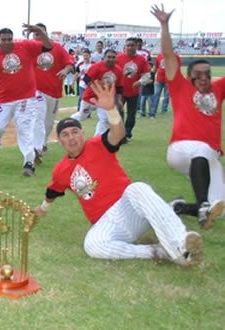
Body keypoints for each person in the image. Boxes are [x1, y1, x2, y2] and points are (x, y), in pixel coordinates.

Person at [34, 81, 203, 267]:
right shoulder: (61, 169)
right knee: (92, 245)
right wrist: (42, 209)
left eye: (75, 132)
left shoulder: (98, 145)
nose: (71, 138)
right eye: (65, 135)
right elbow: (53, 192)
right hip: (107, 223)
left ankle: (181, 246)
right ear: (59, 141)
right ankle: (157, 251)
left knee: (137, 188)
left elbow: (118, 133)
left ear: (83, 134)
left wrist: (111, 109)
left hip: (129, 207)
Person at [151, 4, 224, 229]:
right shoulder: (179, 86)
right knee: (200, 150)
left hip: (209, 156)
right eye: (197, 75)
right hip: (181, 150)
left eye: (206, 74)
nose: (203, 78)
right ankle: (202, 204)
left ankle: (178, 207)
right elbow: (169, 54)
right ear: (189, 76)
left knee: (219, 207)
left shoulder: (219, 87)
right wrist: (165, 26)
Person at [0, 25, 54, 177]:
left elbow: (48, 46)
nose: (6, 42)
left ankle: (28, 162)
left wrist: (41, 32)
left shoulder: (25, 46)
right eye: (3, 40)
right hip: (4, 100)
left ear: (13, 39)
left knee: (24, 129)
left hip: (26, 98)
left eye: (9, 39)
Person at [31, 23, 75, 161]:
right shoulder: (30, 47)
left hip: (54, 91)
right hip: (36, 90)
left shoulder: (58, 47)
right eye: (35, 33)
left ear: (46, 34)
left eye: (40, 33)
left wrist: (65, 70)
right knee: (38, 117)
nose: (37, 36)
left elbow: (69, 63)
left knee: (49, 122)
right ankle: (36, 149)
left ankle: (42, 143)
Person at [70, 49, 123, 136]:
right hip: (90, 97)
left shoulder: (118, 70)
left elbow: (119, 87)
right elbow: (86, 79)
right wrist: (96, 89)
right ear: (104, 58)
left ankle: (97, 139)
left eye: (113, 57)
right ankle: (66, 123)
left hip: (104, 99)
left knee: (105, 119)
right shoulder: (97, 66)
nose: (111, 59)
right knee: (82, 116)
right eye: (109, 57)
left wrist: (118, 100)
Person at [116, 37, 151, 142]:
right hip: (120, 91)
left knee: (131, 114)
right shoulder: (118, 58)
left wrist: (140, 82)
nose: (130, 47)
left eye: (132, 45)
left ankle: (127, 132)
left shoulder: (141, 60)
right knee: (119, 112)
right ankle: (120, 134)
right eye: (128, 45)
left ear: (136, 46)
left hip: (134, 92)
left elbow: (147, 75)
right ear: (125, 46)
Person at [149, 52, 178, 117]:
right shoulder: (159, 56)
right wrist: (152, 75)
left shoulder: (173, 56)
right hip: (159, 79)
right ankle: (154, 110)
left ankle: (164, 110)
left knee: (166, 96)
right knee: (156, 95)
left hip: (169, 80)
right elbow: (156, 67)